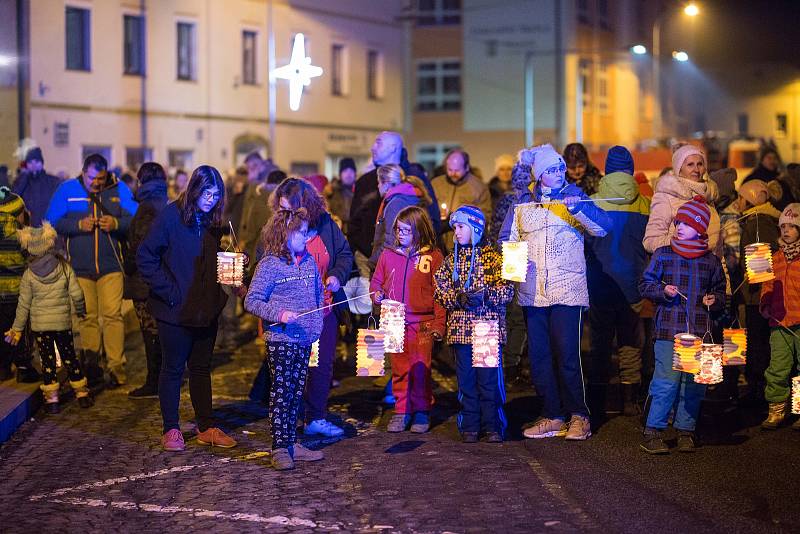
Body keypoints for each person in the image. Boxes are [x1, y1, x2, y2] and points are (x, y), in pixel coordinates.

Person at [512, 145, 611, 441]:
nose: (558, 174)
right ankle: (552, 414)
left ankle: (579, 415)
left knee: (568, 355)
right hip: (533, 293)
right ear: (540, 174)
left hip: (567, 290)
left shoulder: (574, 195)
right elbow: (512, 242)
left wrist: (578, 207)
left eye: (560, 168)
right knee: (540, 358)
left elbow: (603, 227)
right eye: (552, 170)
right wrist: (512, 282)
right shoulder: (524, 204)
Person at [137, 165, 235, 452]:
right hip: (175, 311)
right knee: (172, 369)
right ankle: (171, 429)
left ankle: (206, 426)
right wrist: (170, 292)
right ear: (194, 189)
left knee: (201, 368)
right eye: (207, 193)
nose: (211, 199)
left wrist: (231, 273)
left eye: (216, 194)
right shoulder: (170, 216)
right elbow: (146, 257)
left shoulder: (214, 221)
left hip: (206, 309)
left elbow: (216, 261)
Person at [638, 196, 726, 454]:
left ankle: (686, 430)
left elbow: (720, 291)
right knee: (666, 380)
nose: (678, 227)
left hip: (698, 332)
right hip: (668, 330)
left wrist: (715, 299)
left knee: (693, 383)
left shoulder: (710, 261)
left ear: (699, 228)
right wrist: (663, 290)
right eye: (677, 222)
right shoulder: (663, 254)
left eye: (685, 224)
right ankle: (653, 430)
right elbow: (645, 284)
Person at [44, 153, 137, 389]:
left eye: (100, 178)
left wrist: (116, 224)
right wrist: (77, 225)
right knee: (87, 318)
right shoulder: (67, 189)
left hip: (111, 265)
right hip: (80, 267)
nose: (96, 182)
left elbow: (135, 217)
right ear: (83, 172)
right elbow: (50, 221)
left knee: (112, 316)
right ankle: (92, 364)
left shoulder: (119, 189)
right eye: (92, 178)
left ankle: (116, 366)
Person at [271, 178, 353, 438]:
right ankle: (288, 421)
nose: (288, 214)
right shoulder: (276, 227)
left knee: (321, 365)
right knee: (292, 368)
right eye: (283, 208)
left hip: (324, 309)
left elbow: (344, 254)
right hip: (291, 313)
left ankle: (316, 416)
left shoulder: (326, 224)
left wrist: (337, 275)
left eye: (292, 208)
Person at [244, 208, 325, 470]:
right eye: (301, 233)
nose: (306, 237)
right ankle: (279, 446)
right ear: (285, 233)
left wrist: (317, 322)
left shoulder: (310, 262)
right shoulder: (269, 265)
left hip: (304, 338)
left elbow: (317, 294)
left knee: (296, 391)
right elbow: (252, 300)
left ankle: (291, 442)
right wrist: (279, 313)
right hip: (281, 338)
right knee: (282, 391)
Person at [434, 205, 513, 443]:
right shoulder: (451, 261)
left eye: (460, 227)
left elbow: (507, 290)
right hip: (460, 331)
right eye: (454, 228)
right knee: (466, 380)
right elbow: (440, 288)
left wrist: (487, 296)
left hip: (486, 329)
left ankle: (493, 425)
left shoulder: (493, 258)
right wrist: (456, 298)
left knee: (488, 380)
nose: (456, 232)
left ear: (475, 228)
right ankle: (470, 424)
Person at [585, 146, 650, 418]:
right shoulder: (646, 203)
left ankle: (598, 401)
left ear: (607, 169)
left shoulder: (592, 202)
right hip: (634, 285)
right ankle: (629, 401)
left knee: (600, 344)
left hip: (600, 284)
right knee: (630, 343)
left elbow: (585, 247)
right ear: (631, 169)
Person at [371, 206, 445, 433]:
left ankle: (422, 411)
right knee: (400, 368)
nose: (400, 234)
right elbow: (376, 283)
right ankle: (402, 410)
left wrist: (438, 324)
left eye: (405, 230)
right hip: (394, 320)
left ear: (419, 230)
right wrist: (376, 294)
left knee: (421, 369)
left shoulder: (433, 257)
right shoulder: (388, 255)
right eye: (397, 230)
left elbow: (440, 294)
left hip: (421, 323)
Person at [5, 223, 92, 414]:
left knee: (48, 361)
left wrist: (17, 329)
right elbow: (77, 293)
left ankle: (52, 400)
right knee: (70, 357)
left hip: (40, 327)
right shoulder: (64, 267)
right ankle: (81, 394)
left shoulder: (29, 275)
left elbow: (23, 304)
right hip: (62, 324)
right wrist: (81, 310)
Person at [123, 162, 168, 398]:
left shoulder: (146, 207)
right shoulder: (164, 203)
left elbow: (140, 244)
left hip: (144, 280)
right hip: (161, 276)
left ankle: (154, 381)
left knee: (150, 331)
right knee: (159, 330)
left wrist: (128, 265)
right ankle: (160, 378)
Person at [738, 179, 782, 399]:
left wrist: (751, 279)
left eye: (741, 197)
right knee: (761, 342)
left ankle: (758, 391)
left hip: (758, 296)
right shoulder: (763, 219)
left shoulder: (757, 222)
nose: (738, 201)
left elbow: (763, 264)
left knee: (758, 343)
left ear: (750, 199)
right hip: (760, 294)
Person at [760, 203, 800, 429]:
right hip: (779, 321)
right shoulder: (774, 257)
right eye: (783, 226)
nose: (786, 230)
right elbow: (767, 284)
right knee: (778, 365)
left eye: (792, 226)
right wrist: (766, 301)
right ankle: (776, 408)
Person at [643, 145, 723, 258]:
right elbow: (650, 241)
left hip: (707, 271)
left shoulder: (708, 195)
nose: (696, 169)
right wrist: (677, 242)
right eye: (690, 164)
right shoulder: (667, 195)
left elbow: (717, 246)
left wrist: (722, 273)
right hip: (679, 270)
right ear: (679, 168)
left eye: (700, 164)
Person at [0, 187, 37, 383]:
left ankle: (3, 367)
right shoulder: (22, 235)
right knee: (18, 330)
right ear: (16, 213)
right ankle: (23, 367)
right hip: (16, 293)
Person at [369, 164, 432, 270]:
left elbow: (392, 240)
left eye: (379, 182)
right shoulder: (409, 198)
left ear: (387, 183)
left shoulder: (396, 204)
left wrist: (373, 261)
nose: (378, 186)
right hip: (411, 261)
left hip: (395, 265)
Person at [431, 150, 491, 254]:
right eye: (450, 170)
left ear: (467, 167)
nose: (453, 174)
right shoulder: (436, 184)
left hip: (466, 247)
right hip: (439, 243)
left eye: (457, 170)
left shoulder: (479, 187)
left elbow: (485, 216)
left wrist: (460, 220)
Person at [238, 152, 278, 262]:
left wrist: (244, 238)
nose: (248, 173)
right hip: (257, 233)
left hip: (260, 234)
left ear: (256, 165)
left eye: (250, 168)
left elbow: (252, 213)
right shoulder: (257, 181)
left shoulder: (264, 183)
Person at [11, 147, 62, 227]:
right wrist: (23, 177)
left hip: (48, 230)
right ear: (26, 165)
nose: (34, 165)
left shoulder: (53, 181)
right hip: (28, 231)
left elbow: (60, 205)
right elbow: (13, 199)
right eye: (30, 162)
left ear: (42, 163)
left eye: (37, 162)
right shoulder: (22, 183)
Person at [325, 158, 356, 233]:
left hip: (355, 234)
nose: (348, 174)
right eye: (345, 171)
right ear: (340, 174)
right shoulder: (330, 192)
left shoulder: (360, 192)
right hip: (336, 233)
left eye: (351, 171)